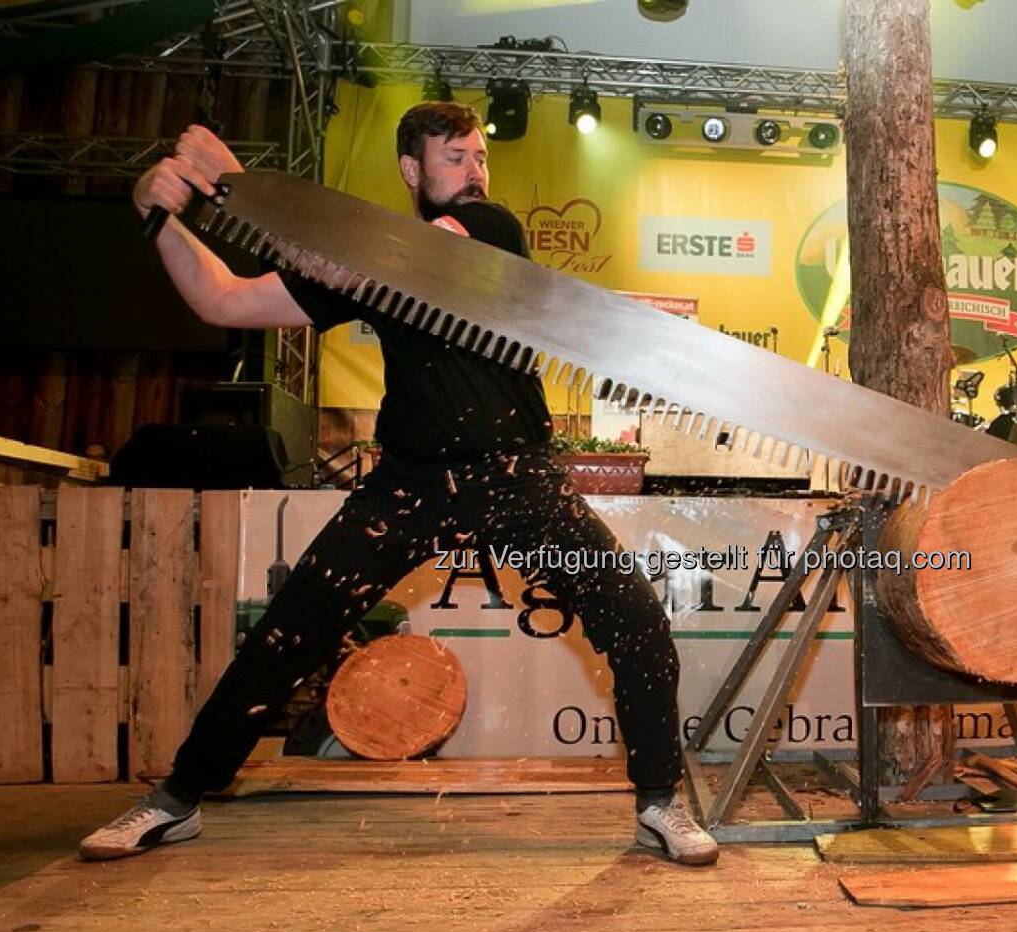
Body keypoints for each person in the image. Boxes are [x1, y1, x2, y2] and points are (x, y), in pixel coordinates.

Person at [79, 103, 719, 867]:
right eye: (455, 159)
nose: (475, 170)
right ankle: (177, 798)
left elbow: (398, 258)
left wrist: (235, 188)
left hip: (519, 478)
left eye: (480, 156)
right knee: (288, 632)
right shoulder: (361, 264)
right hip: (409, 486)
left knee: (637, 620)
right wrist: (160, 220)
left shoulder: (490, 233)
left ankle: (658, 802)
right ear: (411, 171)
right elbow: (225, 298)